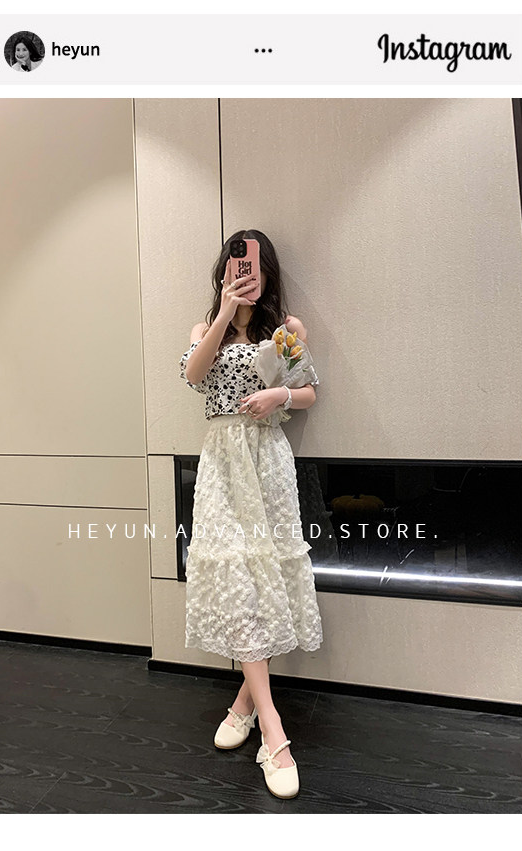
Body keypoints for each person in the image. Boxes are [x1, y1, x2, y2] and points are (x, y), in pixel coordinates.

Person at [178, 229, 323, 799]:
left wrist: (277, 397)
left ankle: (244, 707)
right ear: (225, 273)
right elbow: (194, 375)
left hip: (267, 461)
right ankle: (274, 732)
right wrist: (223, 313)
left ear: (267, 273)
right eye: (238, 266)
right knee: (239, 579)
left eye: (255, 267)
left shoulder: (285, 330)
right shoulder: (204, 329)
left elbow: (308, 391)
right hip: (222, 462)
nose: (247, 274)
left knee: (268, 580)